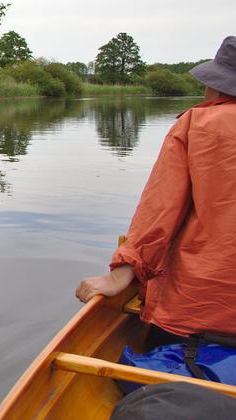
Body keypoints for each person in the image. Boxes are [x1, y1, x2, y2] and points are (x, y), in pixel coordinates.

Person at [76, 36, 236, 343]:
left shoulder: (196, 126)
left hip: (197, 309)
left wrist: (118, 276)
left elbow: (160, 212)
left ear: (216, 86)